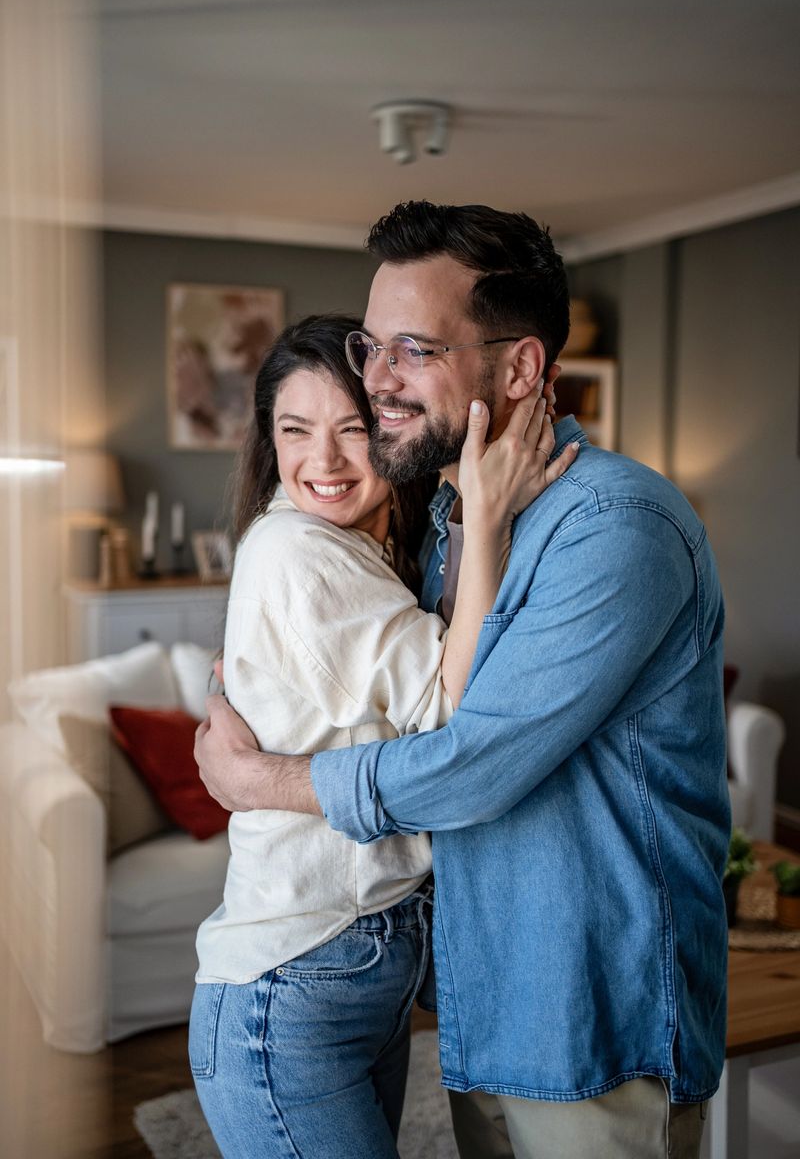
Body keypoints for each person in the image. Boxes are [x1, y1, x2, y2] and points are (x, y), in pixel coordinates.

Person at [195, 202, 730, 1159]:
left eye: (414, 348)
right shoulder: (448, 514)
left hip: (593, 1024)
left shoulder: (616, 528)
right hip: (480, 1007)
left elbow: (469, 761)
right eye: (372, 345)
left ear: (520, 367)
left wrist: (266, 783)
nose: (380, 380)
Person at [189, 312, 574, 1159]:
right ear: (269, 440)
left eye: (352, 430)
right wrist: (488, 517)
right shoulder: (300, 551)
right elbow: (449, 715)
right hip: (296, 981)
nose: (321, 462)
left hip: (355, 967)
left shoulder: (346, 548)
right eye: (295, 431)